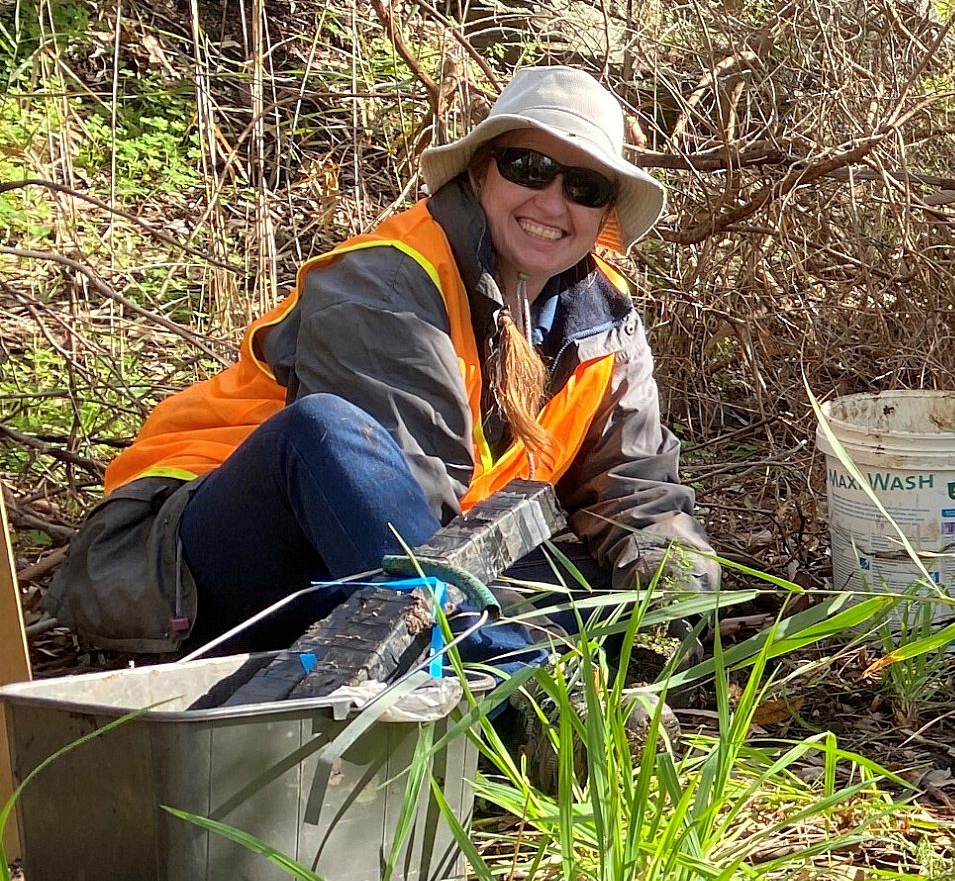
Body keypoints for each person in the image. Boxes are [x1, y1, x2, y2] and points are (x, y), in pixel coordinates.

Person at [47, 66, 719, 665]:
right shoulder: (386, 282)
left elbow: (639, 489)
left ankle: (538, 663)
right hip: (208, 567)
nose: (551, 202)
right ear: (481, 170)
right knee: (325, 429)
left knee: (603, 590)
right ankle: (516, 690)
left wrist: (669, 600)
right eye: (528, 168)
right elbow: (409, 510)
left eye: (583, 185)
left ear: (603, 211)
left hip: (411, 565)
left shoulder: (604, 318)